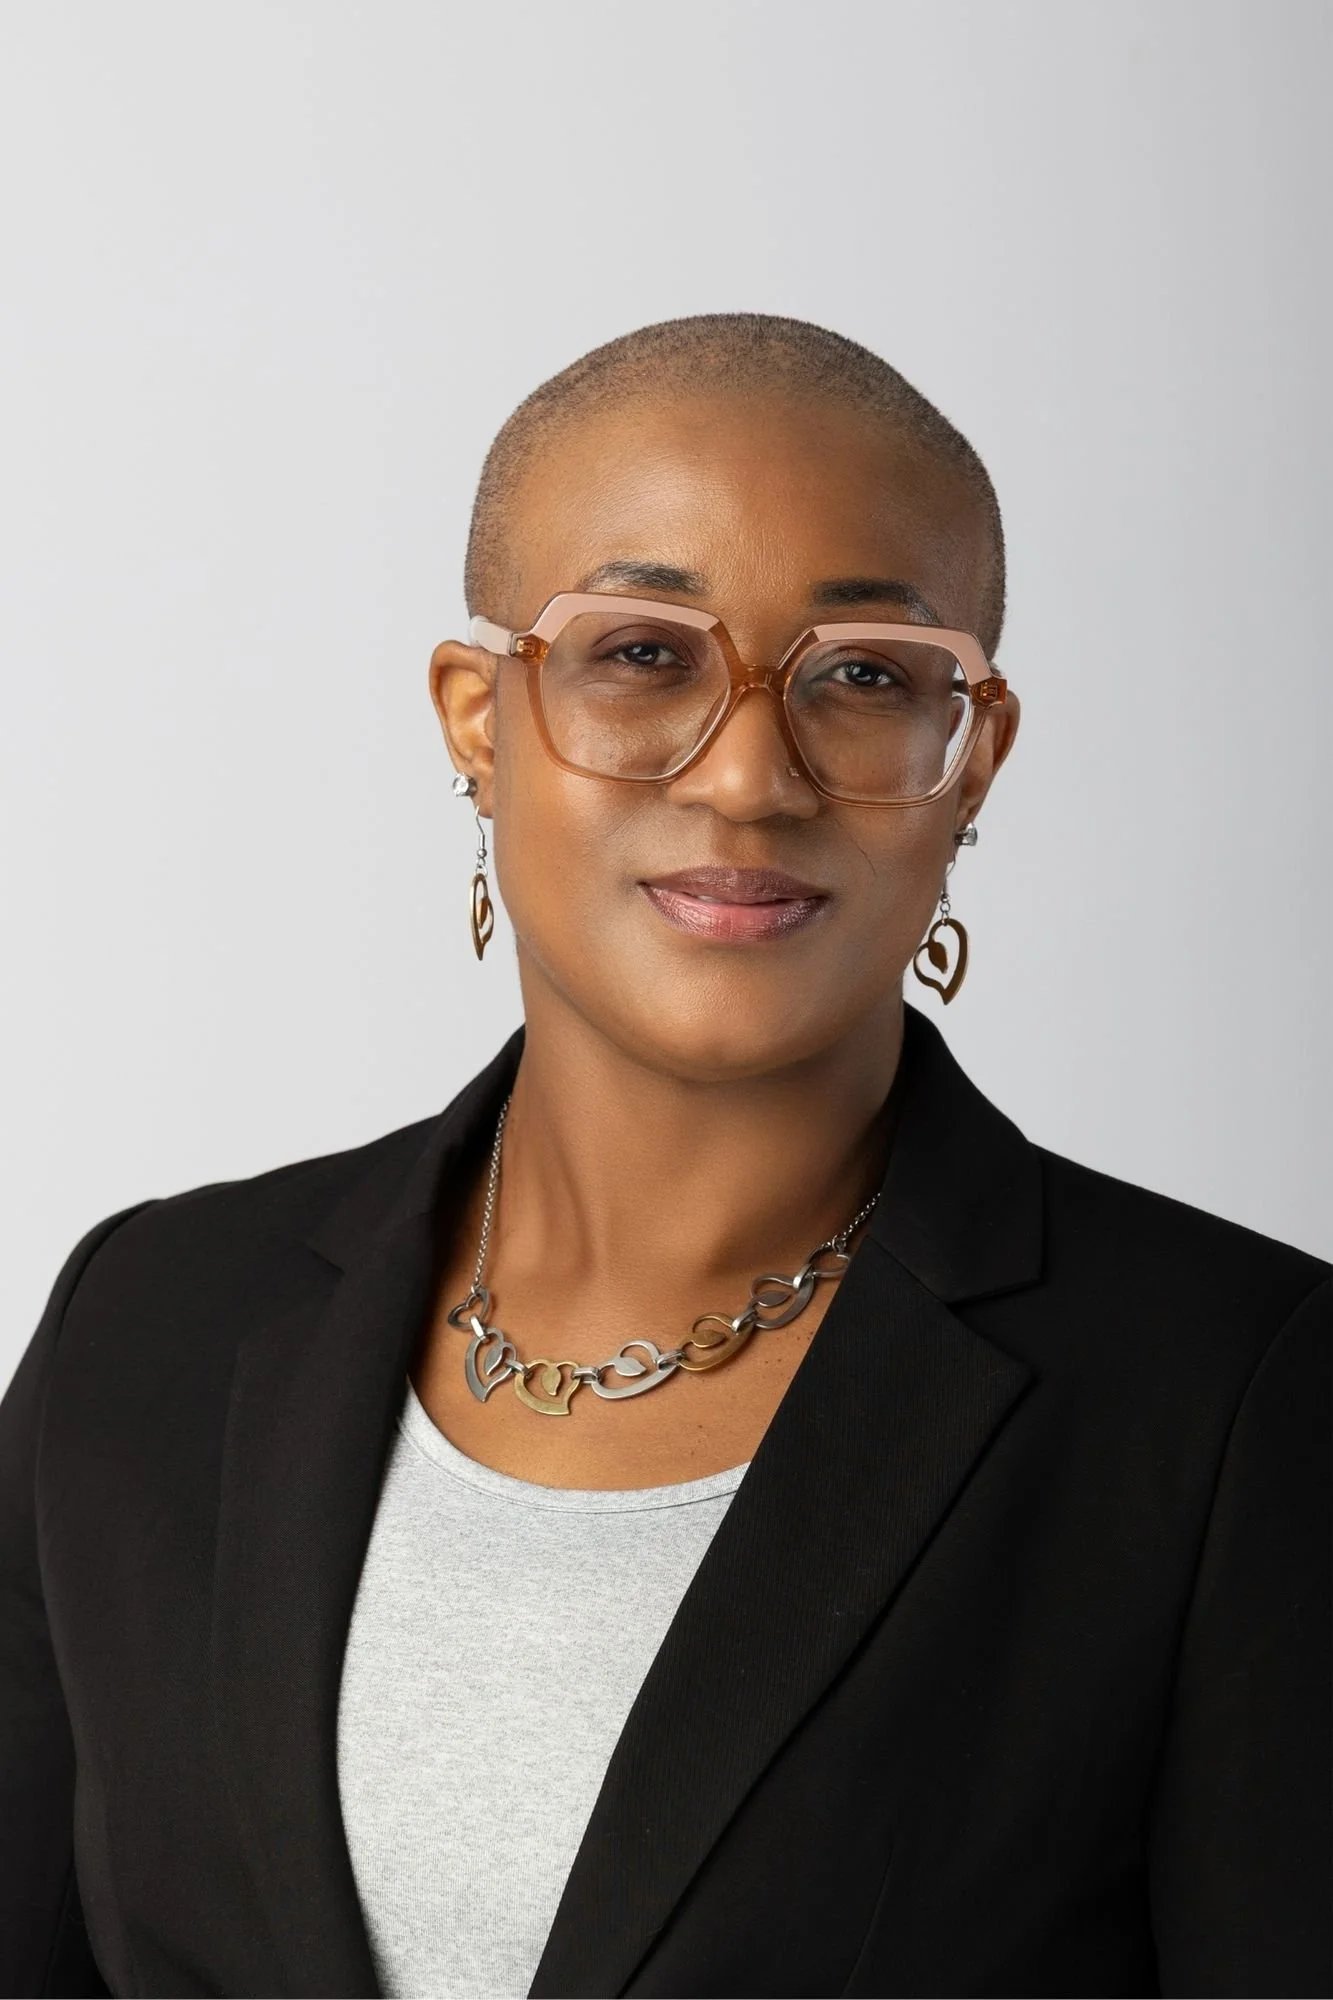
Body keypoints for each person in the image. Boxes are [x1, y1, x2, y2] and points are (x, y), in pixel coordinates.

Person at [1, 314, 1327, 2000]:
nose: (753, 775)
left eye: (864, 676)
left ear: (971, 755)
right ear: (477, 719)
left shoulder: (1232, 1399)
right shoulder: (152, 1324)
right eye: (642, 654)